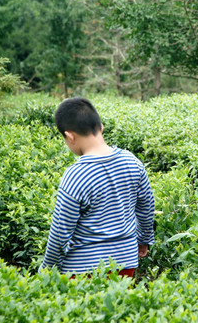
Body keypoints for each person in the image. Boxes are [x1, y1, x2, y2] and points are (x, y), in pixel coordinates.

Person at [39, 97, 155, 278]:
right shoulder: (132, 161)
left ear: (70, 136)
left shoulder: (75, 175)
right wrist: (144, 239)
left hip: (83, 270)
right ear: (100, 127)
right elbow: (146, 207)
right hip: (126, 262)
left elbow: (61, 233)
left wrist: (47, 269)